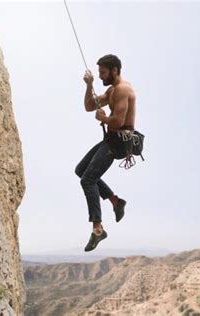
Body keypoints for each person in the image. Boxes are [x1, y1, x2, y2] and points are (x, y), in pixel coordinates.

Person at [75, 54, 136, 252]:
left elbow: (118, 121)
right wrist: (89, 84)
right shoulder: (111, 90)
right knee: (81, 170)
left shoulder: (122, 90)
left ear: (114, 70)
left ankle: (98, 229)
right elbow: (89, 106)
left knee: (88, 180)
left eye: (102, 73)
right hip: (110, 140)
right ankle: (115, 201)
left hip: (118, 143)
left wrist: (104, 117)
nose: (101, 77)